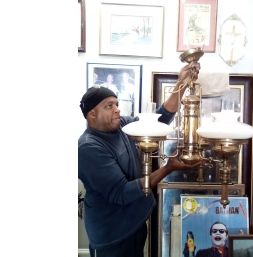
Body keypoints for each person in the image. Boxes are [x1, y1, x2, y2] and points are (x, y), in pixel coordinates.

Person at [78, 62, 200, 257]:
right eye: (109, 106)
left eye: (116, 104)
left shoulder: (122, 126)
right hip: (112, 234)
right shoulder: (88, 148)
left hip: (134, 224)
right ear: (92, 114)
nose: (117, 109)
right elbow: (122, 193)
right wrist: (168, 168)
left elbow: (160, 120)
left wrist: (182, 83)